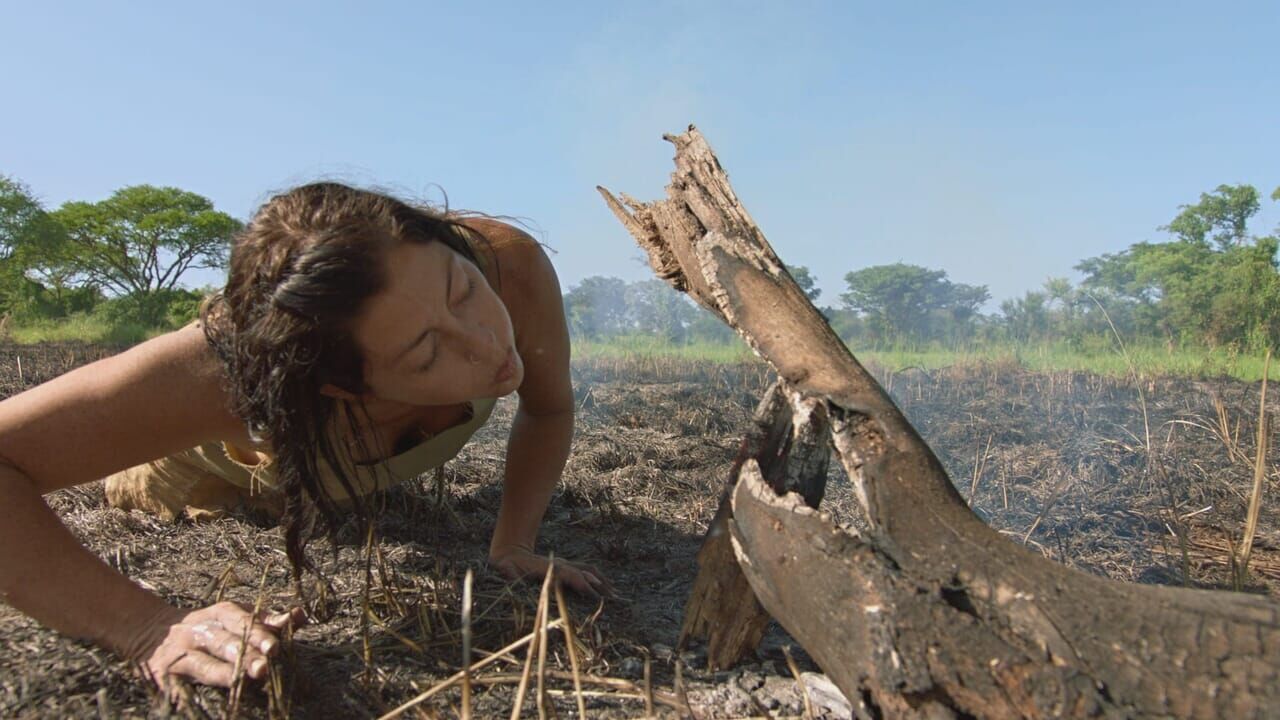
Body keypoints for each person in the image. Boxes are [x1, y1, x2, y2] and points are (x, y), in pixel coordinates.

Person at [0, 182, 606, 694]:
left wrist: (513, 543)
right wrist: (144, 627)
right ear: (343, 387)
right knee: (157, 492)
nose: (488, 341)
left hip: (333, 481)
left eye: (462, 290)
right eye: (427, 353)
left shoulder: (506, 266)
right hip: (198, 472)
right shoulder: (218, 376)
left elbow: (548, 408)